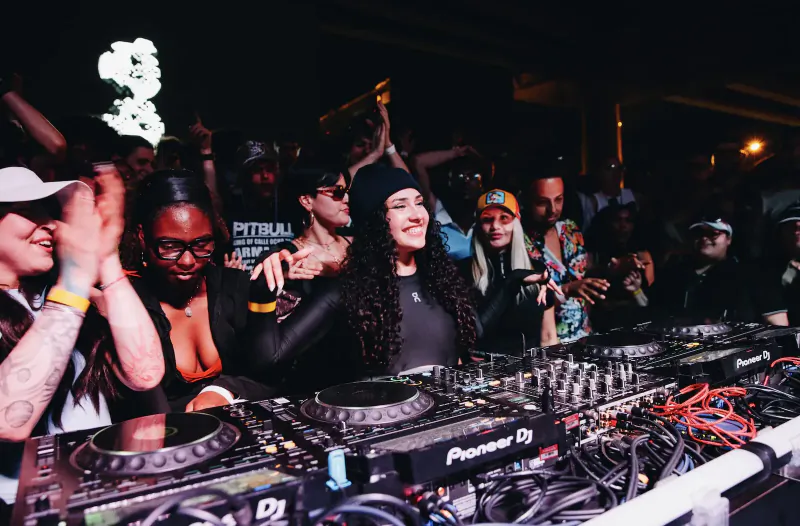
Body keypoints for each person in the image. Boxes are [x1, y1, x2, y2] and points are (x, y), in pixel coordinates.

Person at [246, 165, 554, 383]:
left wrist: (512, 279)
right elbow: (267, 359)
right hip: (388, 436)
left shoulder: (440, 279)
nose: (417, 214)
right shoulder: (349, 290)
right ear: (377, 220)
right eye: (400, 205)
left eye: (419, 203)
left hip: (452, 424)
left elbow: (475, 330)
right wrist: (262, 295)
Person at [0, 166, 163, 504]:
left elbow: (145, 373)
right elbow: (8, 419)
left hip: (97, 491)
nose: (50, 223)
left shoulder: (72, 298)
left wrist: (106, 260)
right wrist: (73, 280)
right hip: (17, 507)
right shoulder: (69, 294)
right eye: (29, 209)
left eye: (50, 211)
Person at [125, 169, 273, 412]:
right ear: (143, 237)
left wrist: (222, 390)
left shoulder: (233, 287)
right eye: (170, 246)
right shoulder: (127, 300)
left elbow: (270, 373)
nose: (187, 261)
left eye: (201, 244)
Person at [462, 189, 560, 354]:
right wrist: (511, 283)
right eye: (487, 219)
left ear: (516, 223)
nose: (495, 226)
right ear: (478, 226)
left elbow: (549, 336)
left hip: (530, 372)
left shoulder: (537, 270)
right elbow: (471, 336)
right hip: (485, 372)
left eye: (504, 218)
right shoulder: (462, 272)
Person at [644, 215, 788, 325]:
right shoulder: (674, 274)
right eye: (699, 233)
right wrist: (636, 291)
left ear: (728, 239)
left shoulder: (751, 274)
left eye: (713, 233)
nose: (704, 238)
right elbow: (650, 314)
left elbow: (778, 324)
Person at [524, 172, 609, 342]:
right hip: (550, 347)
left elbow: (583, 276)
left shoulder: (570, 229)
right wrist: (566, 290)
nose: (553, 210)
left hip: (586, 338)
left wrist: (612, 268)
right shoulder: (520, 241)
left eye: (558, 200)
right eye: (542, 202)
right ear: (526, 200)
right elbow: (525, 308)